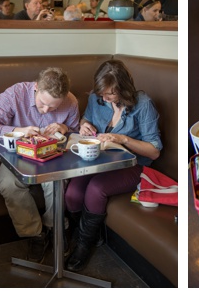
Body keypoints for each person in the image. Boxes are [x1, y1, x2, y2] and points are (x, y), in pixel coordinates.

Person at [65, 60, 162, 272]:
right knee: (72, 192)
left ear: (124, 88)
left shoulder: (143, 105)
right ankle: (88, 232)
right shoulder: (96, 98)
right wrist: (84, 125)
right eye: (101, 93)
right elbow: (86, 118)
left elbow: (154, 150)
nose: (104, 98)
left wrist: (123, 139)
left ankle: (84, 244)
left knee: (96, 189)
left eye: (110, 94)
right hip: (99, 161)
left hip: (133, 166)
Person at [0, 67, 80, 263]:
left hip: (52, 155)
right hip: (16, 154)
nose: (46, 111)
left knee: (56, 181)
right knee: (8, 185)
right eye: (42, 104)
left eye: (53, 108)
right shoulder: (14, 94)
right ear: (36, 87)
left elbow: (75, 131)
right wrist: (18, 130)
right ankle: (35, 234)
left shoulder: (71, 101)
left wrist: (64, 127)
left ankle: (54, 228)